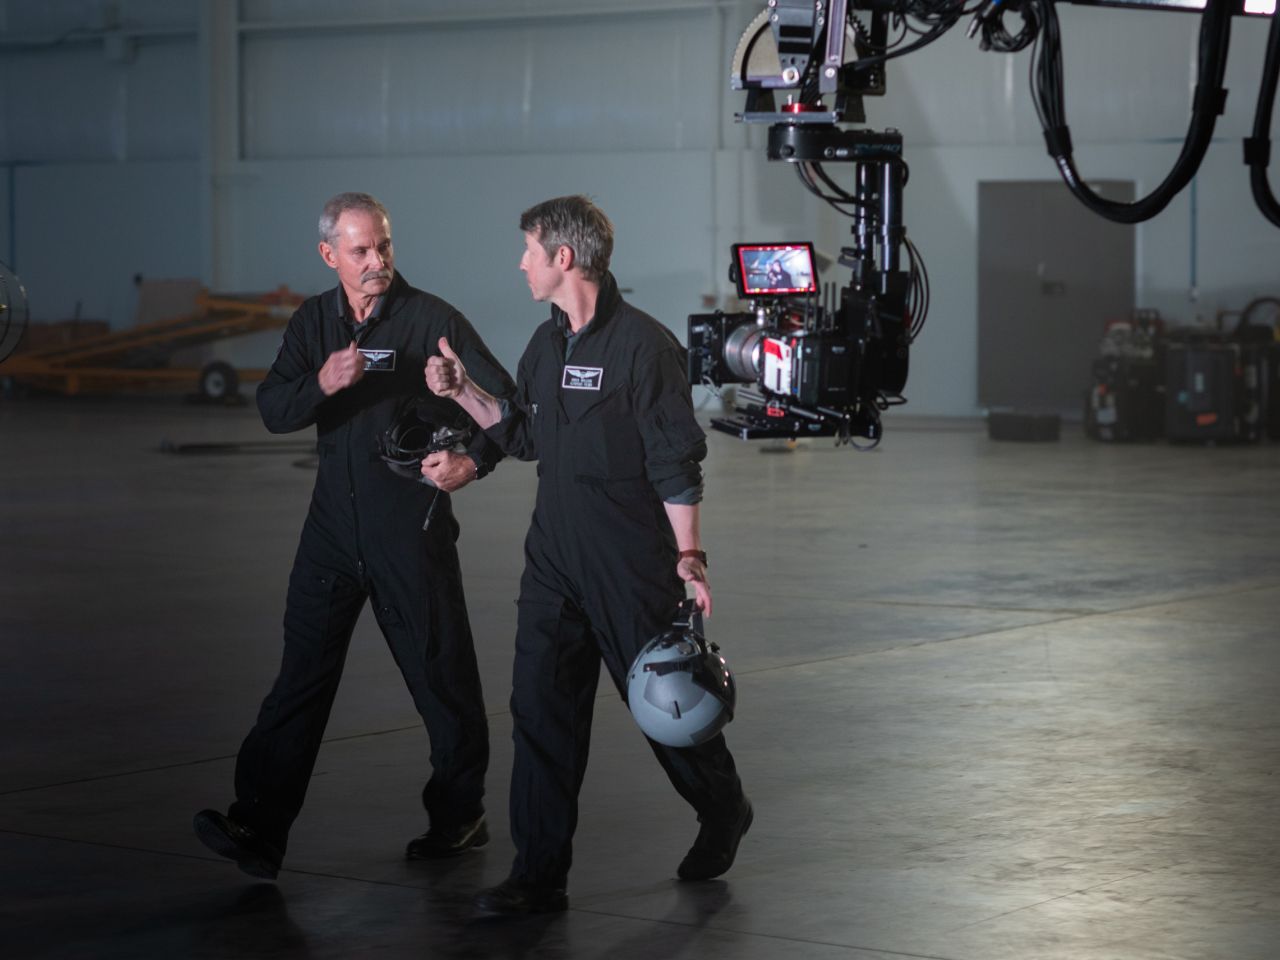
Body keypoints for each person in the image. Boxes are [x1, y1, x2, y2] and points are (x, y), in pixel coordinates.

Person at [426, 195, 750, 915]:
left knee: (666, 709)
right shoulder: (546, 346)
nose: (521, 264)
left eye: (528, 251)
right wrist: (464, 392)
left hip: (630, 567)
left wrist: (689, 555)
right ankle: (538, 878)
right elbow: (523, 436)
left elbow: (675, 459)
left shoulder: (644, 347)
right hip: (553, 563)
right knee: (540, 713)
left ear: (562, 259)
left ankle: (723, 807)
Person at [193, 192, 514, 879]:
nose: (377, 262)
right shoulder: (313, 322)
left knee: (441, 676)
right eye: (362, 251)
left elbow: (505, 410)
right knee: (299, 680)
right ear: (329, 254)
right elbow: (273, 408)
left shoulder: (432, 319)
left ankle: (461, 815)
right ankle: (259, 826)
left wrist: (472, 461)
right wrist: (320, 381)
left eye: (385, 247)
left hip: (410, 531)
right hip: (331, 534)